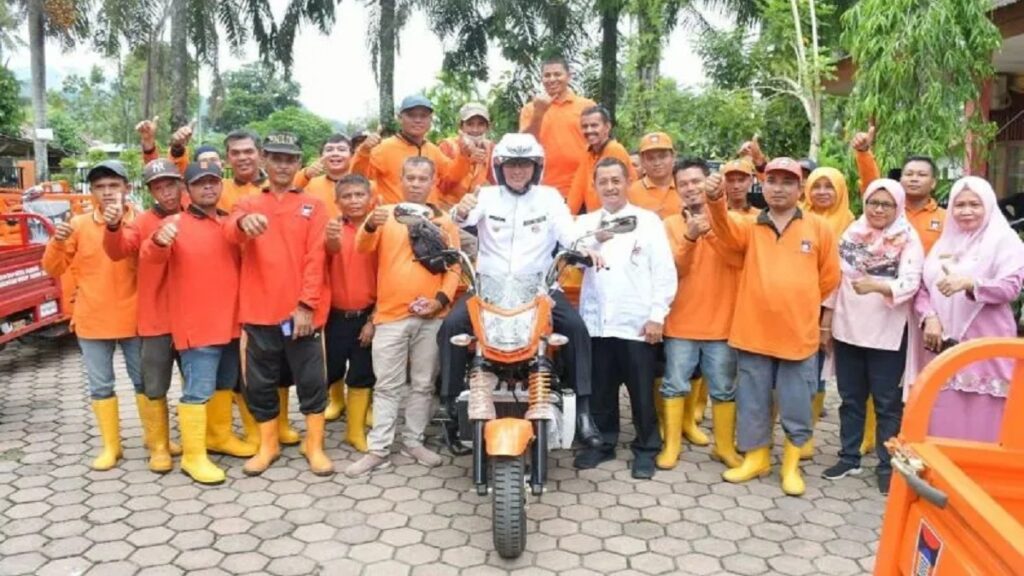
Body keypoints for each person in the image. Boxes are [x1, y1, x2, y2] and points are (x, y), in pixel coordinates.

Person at [438, 133, 605, 450]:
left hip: (539, 287)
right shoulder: (485, 196)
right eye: (511, 164)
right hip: (490, 287)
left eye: (524, 164)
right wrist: (461, 210)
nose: (517, 171)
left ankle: (584, 411)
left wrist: (586, 248)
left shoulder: (550, 198)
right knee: (450, 326)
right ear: (500, 167)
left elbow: (568, 233)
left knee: (577, 329)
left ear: (536, 167)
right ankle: (447, 405)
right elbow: (461, 218)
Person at [705, 157, 840, 496]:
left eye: (787, 182)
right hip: (753, 331)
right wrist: (714, 201)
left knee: (797, 400)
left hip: (798, 333)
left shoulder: (819, 227)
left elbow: (829, 278)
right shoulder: (749, 225)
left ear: (800, 189)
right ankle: (756, 458)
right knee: (752, 398)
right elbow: (723, 231)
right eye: (772, 181)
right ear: (761, 186)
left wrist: (800, 305)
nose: (779, 188)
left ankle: (792, 465)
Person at [225, 132, 333, 477]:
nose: (283, 165)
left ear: (298, 163)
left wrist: (306, 305)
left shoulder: (314, 205)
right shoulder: (249, 203)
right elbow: (229, 230)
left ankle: (314, 445)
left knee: (312, 380)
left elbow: (317, 258)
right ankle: (267, 445)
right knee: (259, 383)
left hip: (301, 315)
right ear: (264, 161)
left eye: (290, 159)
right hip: (258, 313)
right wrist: (242, 222)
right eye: (276, 158)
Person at [345, 157, 461, 477]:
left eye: (423, 177)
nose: (415, 183)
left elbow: (454, 268)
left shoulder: (444, 221)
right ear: (401, 178)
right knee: (387, 385)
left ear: (433, 181)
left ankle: (414, 440)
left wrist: (438, 301)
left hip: (431, 317)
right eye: (410, 177)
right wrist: (369, 225)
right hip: (390, 315)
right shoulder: (386, 216)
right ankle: (378, 449)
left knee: (423, 384)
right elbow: (362, 247)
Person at [139, 161, 247, 484]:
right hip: (197, 325)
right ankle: (192, 456)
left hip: (231, 323)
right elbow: (149, 255)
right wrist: (159, 240)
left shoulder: (230, 222)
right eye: (200, 184)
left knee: (224, 385)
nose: (209, 188)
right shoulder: (174, 224)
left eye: (213, 181)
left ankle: (219, 437)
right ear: (188, 190)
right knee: (197, 392)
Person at [572, 158, 676, 478]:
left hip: (636, 322)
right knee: (602, 389)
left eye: (616, 180)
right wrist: (595, 239)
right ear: (595, 185)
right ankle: (603, 443)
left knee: (642, 391)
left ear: (628, 181)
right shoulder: (585, 224)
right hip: (597, 323)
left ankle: (646, 448)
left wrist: (657, 316)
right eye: (603, 181)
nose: (610, 187)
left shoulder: (648, 222)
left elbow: (664, 272)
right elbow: (573, 258)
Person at [821, 179, 923, 494]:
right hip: (848, 326)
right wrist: (826, 321)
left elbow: (911, 282)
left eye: (886, 204)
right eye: (873, 203)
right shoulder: (852, 233)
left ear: (898, 206)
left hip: (887, 332)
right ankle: (849, 457)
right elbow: (834, 278)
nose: (878, 209)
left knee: (887, 403)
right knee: (850, 398)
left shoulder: (907, 238)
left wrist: (878, 286)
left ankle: (886, 464)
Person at [41, 160, 142, 471]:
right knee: (101, 386)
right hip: (93, 318)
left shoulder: (141, 222)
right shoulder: (78, 224)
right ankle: (112, 446)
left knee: (146, 383)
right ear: (92, 192)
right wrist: (57, 240)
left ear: (127, 187)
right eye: (100, 187)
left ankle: (157, 439)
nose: (108, 192)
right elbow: (51, 268)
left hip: (136, 317)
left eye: (114, 185)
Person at [911, 176, 1024, 441]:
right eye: (959, 205)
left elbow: (1011, 287)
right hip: (941, 343)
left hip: (985, 343)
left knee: (984, 418)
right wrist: (930, 317)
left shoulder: (1004, 241)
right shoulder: (945, 242)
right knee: (940, 413)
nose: (966, 211)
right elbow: (923, 287)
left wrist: (971, 284)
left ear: (988, 206)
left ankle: (977, 477)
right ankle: (939, 478)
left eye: (975, 204)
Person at [102, 159, 190, 474]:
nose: (166, 192)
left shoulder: (196, 214)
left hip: (193, 317)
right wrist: (112, 226)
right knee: (155, 386)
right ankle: (159, 447)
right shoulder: (141, 223)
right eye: (158, 187)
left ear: (181, 185)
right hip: (155, 319)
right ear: (150, 190)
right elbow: (118, 250)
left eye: (171, 184)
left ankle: (200, 441)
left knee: (196, 383)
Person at [657, 159, 744, 471]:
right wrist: (691, 237)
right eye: (684, 184)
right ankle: (671, 446)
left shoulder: (731, 220)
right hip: (681, 323)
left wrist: (710, 232)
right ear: (677, 190)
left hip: (721, 324)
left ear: (708, 183)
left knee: (722, 387)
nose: (691, 188)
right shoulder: (669, 225)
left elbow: (736, 257)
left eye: (696, 181)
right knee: (674, 384)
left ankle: (724, 448)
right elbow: (673, 271)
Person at [799, 167, 854, 460]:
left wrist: (825, 316)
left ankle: (806, 429)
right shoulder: (797, 215)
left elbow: (839, 272)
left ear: (840, 191)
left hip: (830, 304)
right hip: (794, 304)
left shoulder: (851, 224)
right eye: (816, 186)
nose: (821, 192)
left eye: (828, 186)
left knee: (816, 367)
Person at [324, 174, 378, 450]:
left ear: (370, 199)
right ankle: (316, 430)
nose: (354, 201)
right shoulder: (330, 230)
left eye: (359, 195)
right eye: (347, 196)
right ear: (337, 201)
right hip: (334, 317)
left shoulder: (379, 231)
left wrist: (373, 320)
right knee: (328, 370)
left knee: (362, 373)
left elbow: (388, 281)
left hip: (368, 316)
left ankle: (355, 431)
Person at [351, 94, 478, 205]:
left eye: (423, 116)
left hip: (429, 220)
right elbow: (357, 179)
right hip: (395, 221)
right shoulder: (383, 148)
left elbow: (451, 177)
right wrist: (364, 151)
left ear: (430, 120)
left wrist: (464, 156)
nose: (418, 120)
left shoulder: (432, 150)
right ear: (400, 118)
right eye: (411, 115)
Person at [851, 125, 945, 254]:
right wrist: (863, 152)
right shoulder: (887, 209)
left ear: (933, 182)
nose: (914, 179)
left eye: (922, 175)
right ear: (900, 180)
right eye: (909, 174)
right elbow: (873, 185)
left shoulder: (945, 218)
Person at [519, 56, 597, 199]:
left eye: (557, 74)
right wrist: (539, 113)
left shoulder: (587, 106)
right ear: (541, 79)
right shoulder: (530, 109)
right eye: (547, 75)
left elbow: (599, 143)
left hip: (583, 186)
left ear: (568, 76)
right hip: (542, 188)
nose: (552, 79)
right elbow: (524, 144)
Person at [567, 105, 636, 214]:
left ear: (607, 127)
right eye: (585, 126)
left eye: (594, 125)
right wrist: (567, 218)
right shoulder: (588, 152)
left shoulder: (614, 150)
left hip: (616, 217)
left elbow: (614, 192)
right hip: (596, 219)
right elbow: (577, 189)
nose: (589, 130)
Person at [438, 102, 494, 209]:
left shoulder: (492, 148)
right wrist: (466, 159)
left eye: (480, 124)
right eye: (470, 124)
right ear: (461, 126)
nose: (475, 130)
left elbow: (496, 183)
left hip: (478, 211)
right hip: (448, 210)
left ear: (488, 127)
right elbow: (442, 186)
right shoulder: (447, 146)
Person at [300, 134, 355, 219]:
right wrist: (305, 174)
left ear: (352, 155)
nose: (335, 153)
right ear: (321, 156)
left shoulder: (366, 186)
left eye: (341, 150)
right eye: (329, 150)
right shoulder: (309, 185)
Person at [627, 132, 679, 220]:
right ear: (642, 161)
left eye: (662, 157)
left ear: (673, 157)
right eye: (650, 158)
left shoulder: (685, 187)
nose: (657, 163)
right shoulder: (631, 192)